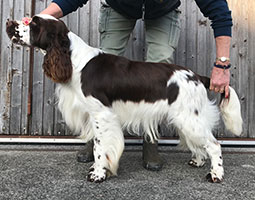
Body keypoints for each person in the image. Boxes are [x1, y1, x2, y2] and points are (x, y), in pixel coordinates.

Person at [27, 0, 233, 171]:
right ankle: (97, 141)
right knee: (99, 73)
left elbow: (217, 8)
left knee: (161, 66)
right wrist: (39, 21)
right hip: (119, 6)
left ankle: (150, 139)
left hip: (162, 9)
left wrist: (222, 64)